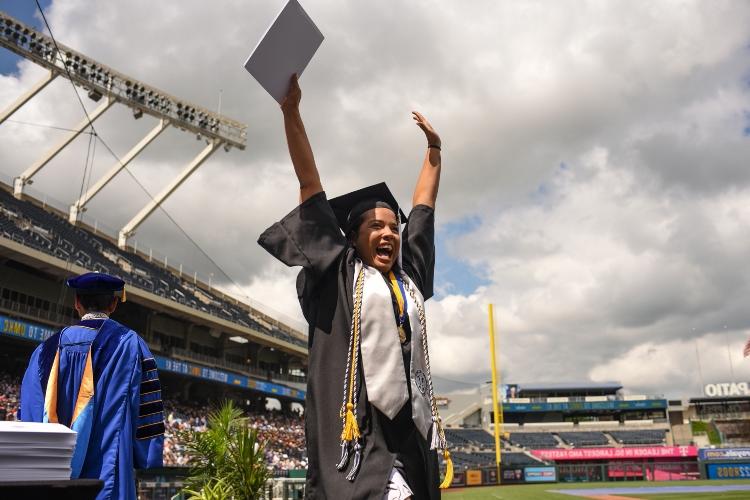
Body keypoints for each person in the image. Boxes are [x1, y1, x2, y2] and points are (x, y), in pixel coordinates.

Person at [258, 74, 449, 499]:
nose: (389, 234)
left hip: (410, 447)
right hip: (357, 449)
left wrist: (434, 152)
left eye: (392, 228)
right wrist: (291, 113)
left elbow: (422, 211)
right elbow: (310, 186)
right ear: (353, 236)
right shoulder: (339, 273)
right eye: (375, 226)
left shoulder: (408, 280)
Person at [19, 272, 164, 500]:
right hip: (110, 472)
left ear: (77, 303)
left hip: (52, 477)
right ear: (114, 304)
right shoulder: (131, 345)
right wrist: (146, 456)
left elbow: (31, 412)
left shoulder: (45, 349)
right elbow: (148, 411)